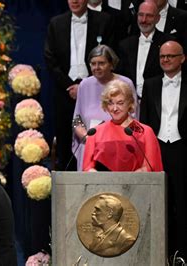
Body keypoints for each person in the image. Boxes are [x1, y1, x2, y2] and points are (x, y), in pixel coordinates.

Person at [44, 0, 114, 170]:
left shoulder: (104, 20)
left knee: (97, 138)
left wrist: (85, 85)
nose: (75, 1)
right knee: (65, 140)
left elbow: (109, 56)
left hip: (96, 91)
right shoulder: (56, 23)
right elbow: (50, 59)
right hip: (65, 92)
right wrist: (70, 86)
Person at [140, 40, 187, 257]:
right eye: (162, 57)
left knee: (182, 202)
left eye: (170, 56)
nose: (165, 60)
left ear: (182, 58)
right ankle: (161, 252)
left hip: (182, 149)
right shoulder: (150, 84)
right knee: (159, 200)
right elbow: (144, 122)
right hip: (156, 149)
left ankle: (183, 254)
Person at [72, 45, 137, 170]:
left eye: (101, 63)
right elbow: (76, 119)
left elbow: (134, 118)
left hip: (118, 146)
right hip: (89, 146)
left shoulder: (125, 83)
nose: (96, 67)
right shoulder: (84, 84)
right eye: (93, 63)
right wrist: (86, 136)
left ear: (111, 65)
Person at [83, 79, 163, 171]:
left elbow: (151, 166)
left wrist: (129, 181)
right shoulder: (95, 133)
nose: (115, 108)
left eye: (120, 103)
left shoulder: (145, 132)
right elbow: (87, 167)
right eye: (110, 103)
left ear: (130, 103)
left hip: (136, 184)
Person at [117, 0, 173, 98]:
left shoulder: (168, 43)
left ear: (158, 18)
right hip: (130, 101)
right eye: (141, 15)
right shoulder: (125, 45)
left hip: (159, 100)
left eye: (149, 16)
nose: (144, 20)